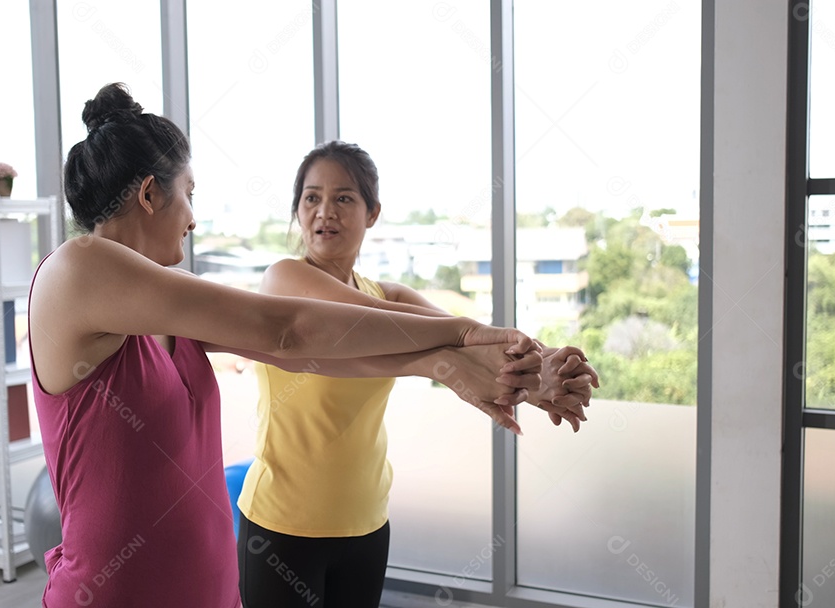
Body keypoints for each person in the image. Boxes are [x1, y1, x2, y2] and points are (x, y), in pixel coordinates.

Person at [28, 84, 545, 608]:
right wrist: (459, 334)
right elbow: (286, 329)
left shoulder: (165, 311)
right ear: (149, 194)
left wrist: (464, 368)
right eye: (190, 191)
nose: (192, 217)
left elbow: (311, 353)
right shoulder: (79, 268)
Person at [236, 141, 600, 608]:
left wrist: (545, 370)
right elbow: (392, 325)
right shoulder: (284, 279)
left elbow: (468, 342)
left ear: (372, 213)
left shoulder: (389, 294)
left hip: (366, 521)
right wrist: (491, 349)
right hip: (282, 526)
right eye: (312, 198)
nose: (325, 211)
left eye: (344, 198)